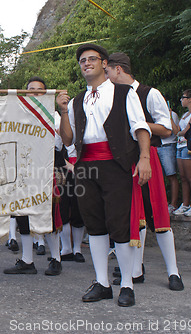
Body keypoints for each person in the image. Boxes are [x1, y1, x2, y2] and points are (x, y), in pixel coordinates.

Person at [57, 43, 152, 307]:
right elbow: (68, 139)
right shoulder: (77, 100)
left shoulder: (124, 92)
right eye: (82, 61)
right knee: (95, 226)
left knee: (120, 225)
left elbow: (140, 126)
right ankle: (102, 283)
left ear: (104, 64)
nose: (86, 63)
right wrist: (64, 111)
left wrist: (144, 158)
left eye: (92, 59)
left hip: (116, 164)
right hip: (86, 166)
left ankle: (127, 285)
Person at [105, 52, 184, 291]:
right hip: (123, 163)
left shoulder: (149, 94)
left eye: (107, 71)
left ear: (118, 70)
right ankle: (136, 271)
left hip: (149, 158)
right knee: (133, 217)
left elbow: (167, 129)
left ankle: (174, 272)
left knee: (158, 214)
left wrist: (136, 122)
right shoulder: (109, 97)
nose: (105, 76)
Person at [3, 76, 63, 276]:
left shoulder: (53, 114)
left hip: (45, 169)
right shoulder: (17, 113)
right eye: (31, 90)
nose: (35, 93)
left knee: (48, 213)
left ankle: (56, 258)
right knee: (22, 213)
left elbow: (61, 144)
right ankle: (27, 260)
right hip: (22, 169)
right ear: (25, 92)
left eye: (39, 90)